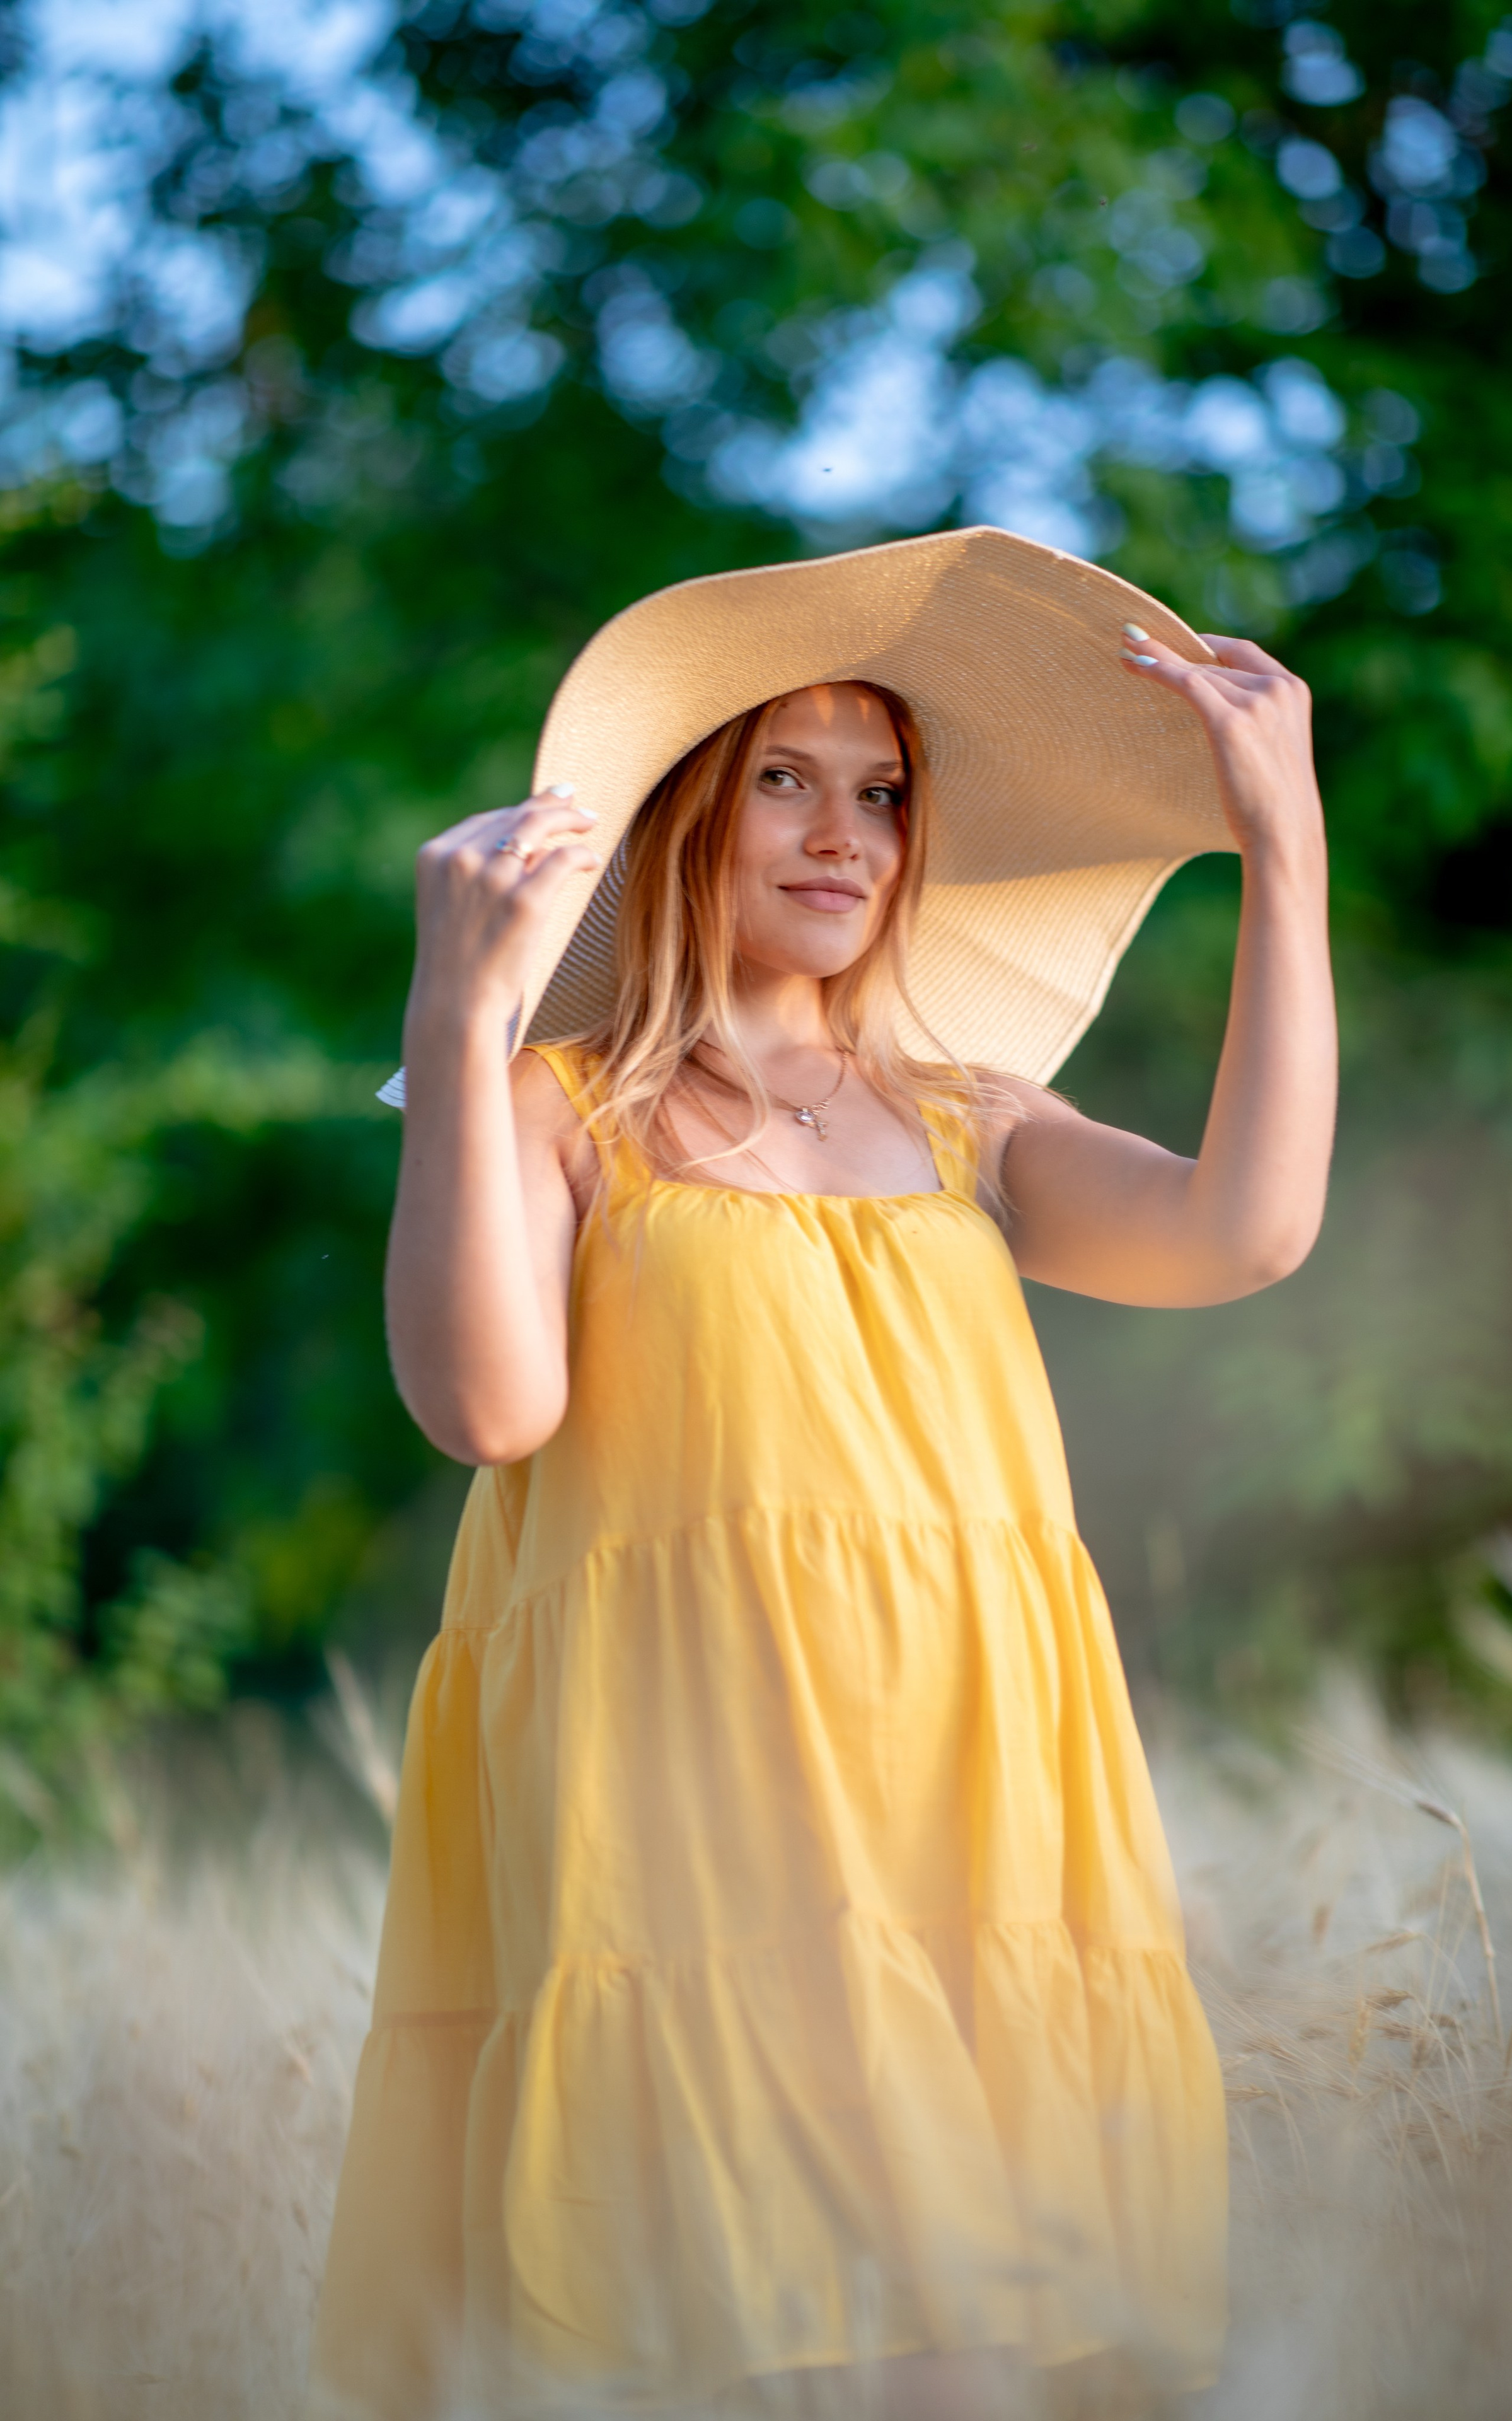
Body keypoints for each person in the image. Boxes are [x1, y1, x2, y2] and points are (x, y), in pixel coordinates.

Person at [311, 530, 1336, 2421]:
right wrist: (457, 1021)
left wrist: (1286, 853)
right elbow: (486, 1411)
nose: (842, 832)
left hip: (970, 1786)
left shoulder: (970, 1120)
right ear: (683, 815)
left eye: (883, 792)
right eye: (785, 775)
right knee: (787, 2342)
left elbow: (1244, 1233)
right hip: (693, 1789)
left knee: (972, 2348)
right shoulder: (564, 1109)